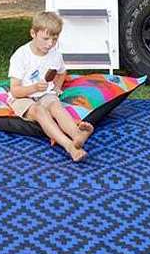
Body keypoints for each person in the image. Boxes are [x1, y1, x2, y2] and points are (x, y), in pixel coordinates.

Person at [8, 11, 93, 162]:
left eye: (54, 39)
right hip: (22, 97)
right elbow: (15, 91)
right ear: (33, 33)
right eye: (46, 39)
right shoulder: (21, 56)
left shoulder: (54, 54)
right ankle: (70, 146)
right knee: (39, 110)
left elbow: (62, 72)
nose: (50, 44)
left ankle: (77, 135)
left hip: (44, 94)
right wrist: (34, 88)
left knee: (55, 105)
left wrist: (56, 88)